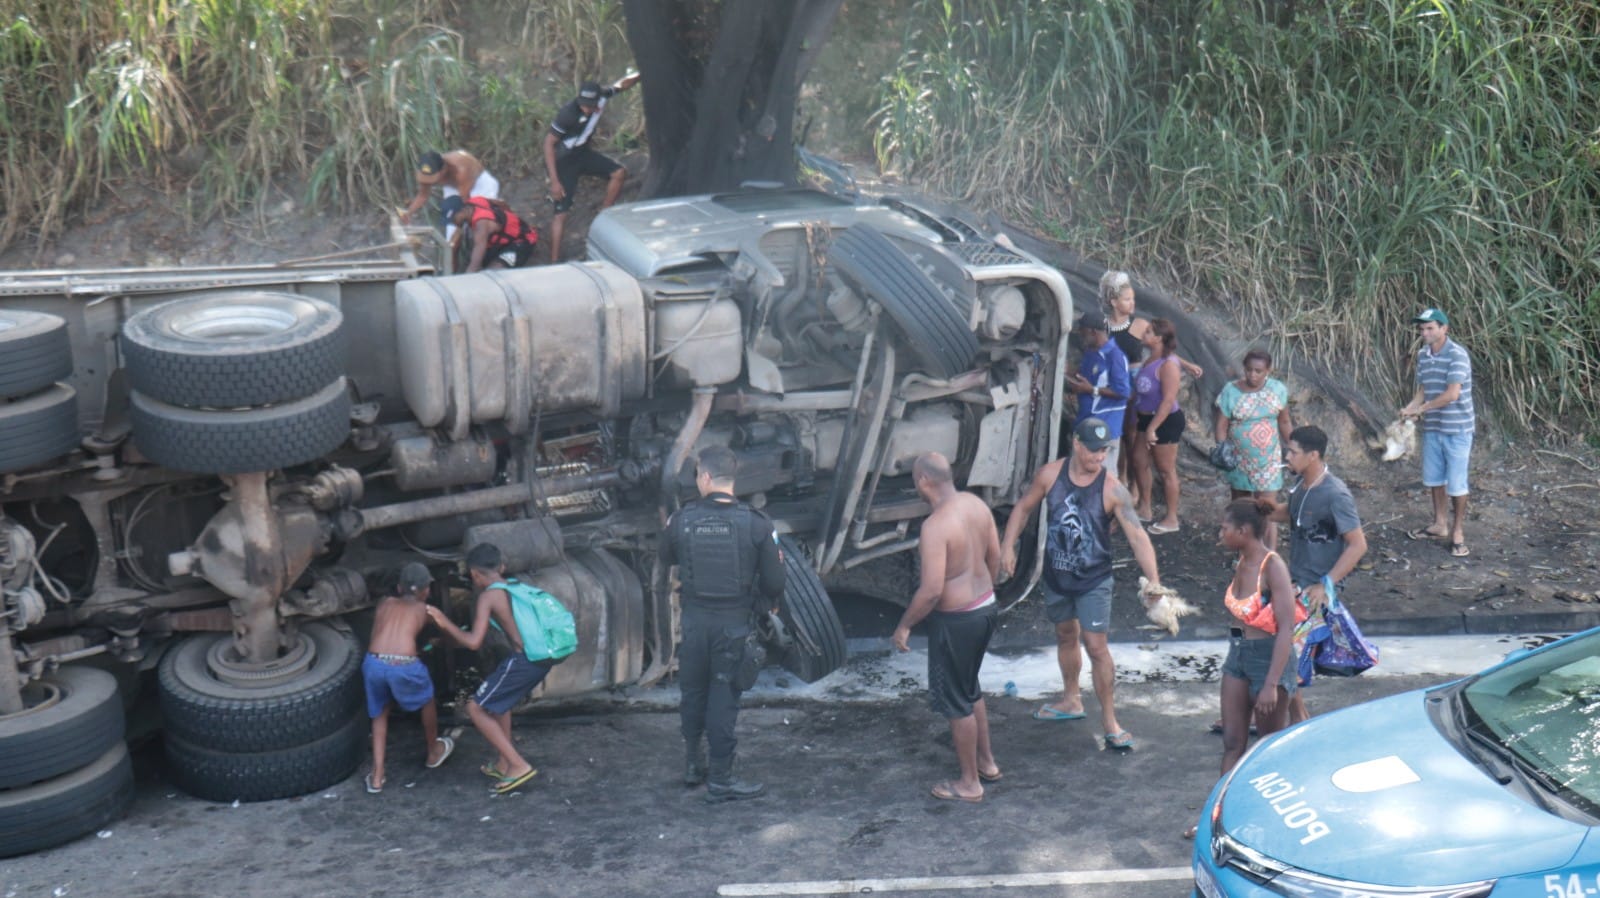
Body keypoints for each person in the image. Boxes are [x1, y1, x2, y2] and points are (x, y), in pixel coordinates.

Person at [999, 417, 1163, 751]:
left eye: (1104, 451)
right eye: (1093, 451)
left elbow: (1138, 537)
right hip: (1057, 577)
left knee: (1096, 646)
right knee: (1065, 635)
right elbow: (1023, 508)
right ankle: (1071, 700)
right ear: (1076, 444)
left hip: (1094, 580)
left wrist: (1155, 581)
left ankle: (1109, 721)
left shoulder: (1113, 489)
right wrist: (1007, 546)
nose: (1099, 458)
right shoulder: (1050, 475)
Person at [659, 445, 785, 803]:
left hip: (695, 623)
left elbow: (666, 556)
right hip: (733, 625)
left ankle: (691, 766)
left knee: (693, 693)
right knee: (722, 698)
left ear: (706, 477)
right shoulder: (757, 522)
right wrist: (760, 604)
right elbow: (776, 581)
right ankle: (721, 779)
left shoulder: (681, 519)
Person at [1186, 499, 1302, 838]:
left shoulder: (1273, 567)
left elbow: (1285, 629)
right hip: (1237, 655)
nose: (1220, 532)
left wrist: (1270, 684)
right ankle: (1218, 821)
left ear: (1243, 531)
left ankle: (1266, 823)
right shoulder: (1241, 561)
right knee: (1233, 742)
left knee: (1266, 748)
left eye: (1224, 528)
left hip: (1269, 660)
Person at [891, 452, 1002, 803]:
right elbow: (995, 556)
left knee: (957, 702)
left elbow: (932, 590)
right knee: (970, 688)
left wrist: (905, 626)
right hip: (985, 607)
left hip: (957, 620)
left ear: (924, 480)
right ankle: (987, 762)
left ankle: (970, 783)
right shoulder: (976, 505)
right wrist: (986, 589)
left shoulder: (935, 526)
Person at [424, 543, 550, 795]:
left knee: (475, 708)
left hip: (526, 659)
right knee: (498, 702)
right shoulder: (513, 585)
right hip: (541, 656)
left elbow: (473, 643)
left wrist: (442, 620)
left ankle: (518, 765)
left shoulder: (488, 596)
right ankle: (503, 762)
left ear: (474, 574)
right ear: (501, 567)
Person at [1271, 425, 1366, 724]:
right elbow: (1293, 513)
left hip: (1313, 590)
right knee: (1283, 653)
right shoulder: (1301, 486)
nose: (1287, 457)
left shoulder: (1336, 494)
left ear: (1313, 455)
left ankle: (1294, 718)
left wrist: (1326, 585)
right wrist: (1262, 510)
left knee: (1285, 654)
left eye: (1293, 452)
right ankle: (1293, 714)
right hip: (1295, 583)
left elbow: (1358, 544)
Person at [1102, 270, 1202, 489]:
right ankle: (1120, 476)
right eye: (1127, 299)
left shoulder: (1139, 325)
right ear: (1113, 302)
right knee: (1117, 432)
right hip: (1112, 379)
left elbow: (1161, 349)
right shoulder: (1104, 325)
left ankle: (1134, 484)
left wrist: (1185, 364)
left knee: (1132, 431)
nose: (1132, 303)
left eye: (1133, 298)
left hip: (1137, 379)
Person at [362, 562, 454, 793]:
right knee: (427, 701)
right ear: (426, 590)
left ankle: (377, 775)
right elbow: (451, 633)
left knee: (379, 713)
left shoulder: (385, 603)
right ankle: (433, 751)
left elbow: (376, 636)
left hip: (373, 661)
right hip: (403, 665)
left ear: (399, 588)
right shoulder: (426, 610)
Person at [1399, 308, 1474, 557]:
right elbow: (1424, 389)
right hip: (1433, 427)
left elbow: (1452, 394)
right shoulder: (1424, 355)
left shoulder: (1457, 355)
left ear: (1444, 329)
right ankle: (1440, 524)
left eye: (1430, 328)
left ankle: (1458, 531)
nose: (1424, 333)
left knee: (1457, 482)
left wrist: (1422, 408)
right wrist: (1411, 407)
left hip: (1457, 428)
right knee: (1434, 479)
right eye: (1422, 329)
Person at [543, 73, 641, 263]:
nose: (586, 109)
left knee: (618, 173)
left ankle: (603, 216)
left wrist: (640, 74)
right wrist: (555, 181)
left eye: (590, 105)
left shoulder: (603, 96)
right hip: (564, 161)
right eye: (583, 105)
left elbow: (621, 84)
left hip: (583, 154)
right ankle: (553, 261)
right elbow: (548, 144)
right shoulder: (568, 114)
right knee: (561, 213)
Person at [1213, 349, 1293, 546]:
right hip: (1239, 460)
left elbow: (1284, 422)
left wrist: (1293, 448)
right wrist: (1222, 449)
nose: (1253, 375)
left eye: (1258, 371)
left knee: (1267, 507)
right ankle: (1244, 549)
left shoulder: (1277, 390)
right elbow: (1221, 426)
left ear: (1268, 370)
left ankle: (1269, 554)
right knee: (1241, 506)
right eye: (1249, 370)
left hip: (1269, 460)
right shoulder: (1231, 391)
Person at [1129, 318, 1186, 534]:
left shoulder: (1168, 365)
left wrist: (1153, 428)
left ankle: (1172, 518)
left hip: (1165, 421)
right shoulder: (1150, 359)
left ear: (1159, 338)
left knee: (1165, 470)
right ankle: (1145, 507)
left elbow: (1168, 400)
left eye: (1148, 332)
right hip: (1145, 419)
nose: (1143, 335)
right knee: (1139, 461)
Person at [1066, 309, 1131, 475]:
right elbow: (1086, 379)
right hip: (1085, 421)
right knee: (1081, 472)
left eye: (1083, 332)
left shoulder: (1115, 356)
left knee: (1103, 476)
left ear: (1093, 332)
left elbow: (1123, 392)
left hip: (1105, 426)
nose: (1080, 336)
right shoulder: (1090, 353)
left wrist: (1091, 390)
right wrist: (1070, 374)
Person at [400, 149, 499, 242]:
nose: (430, 181)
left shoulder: (461, 169)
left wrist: (457, 234)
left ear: (443, 169)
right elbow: (423, 195)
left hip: (480, 185)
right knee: (451, 219)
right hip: (453, 186)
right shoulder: (429, 170)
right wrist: (409, 213)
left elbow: (467, 205)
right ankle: (452, 251)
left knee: (479, 223)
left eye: (433, 178)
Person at [448, 195, 538, 272]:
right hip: (499, 242)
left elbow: (475, 264)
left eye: (453, 218)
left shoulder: (481, 223)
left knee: (493, 271)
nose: (453, 222)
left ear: (463, 210)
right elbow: (502, 204)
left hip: (521, 241)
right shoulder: (476, 201)